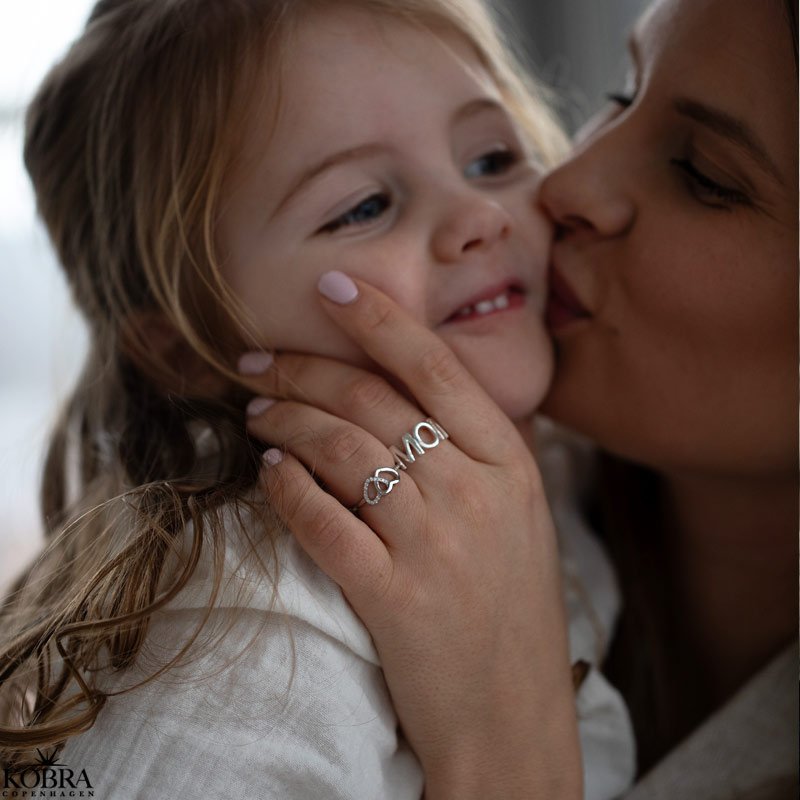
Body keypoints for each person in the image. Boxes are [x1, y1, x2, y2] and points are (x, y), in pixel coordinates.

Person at [0, 1, 634, 798]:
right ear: (186, 348)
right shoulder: (255, 617)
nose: (479, 216)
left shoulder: (575, 474)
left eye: (492, 159)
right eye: (363, 207)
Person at [239, 0, 799, 796]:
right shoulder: (267, 587)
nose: (564, 180)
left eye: (702, 174)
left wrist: (506, 756)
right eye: (622, 94)